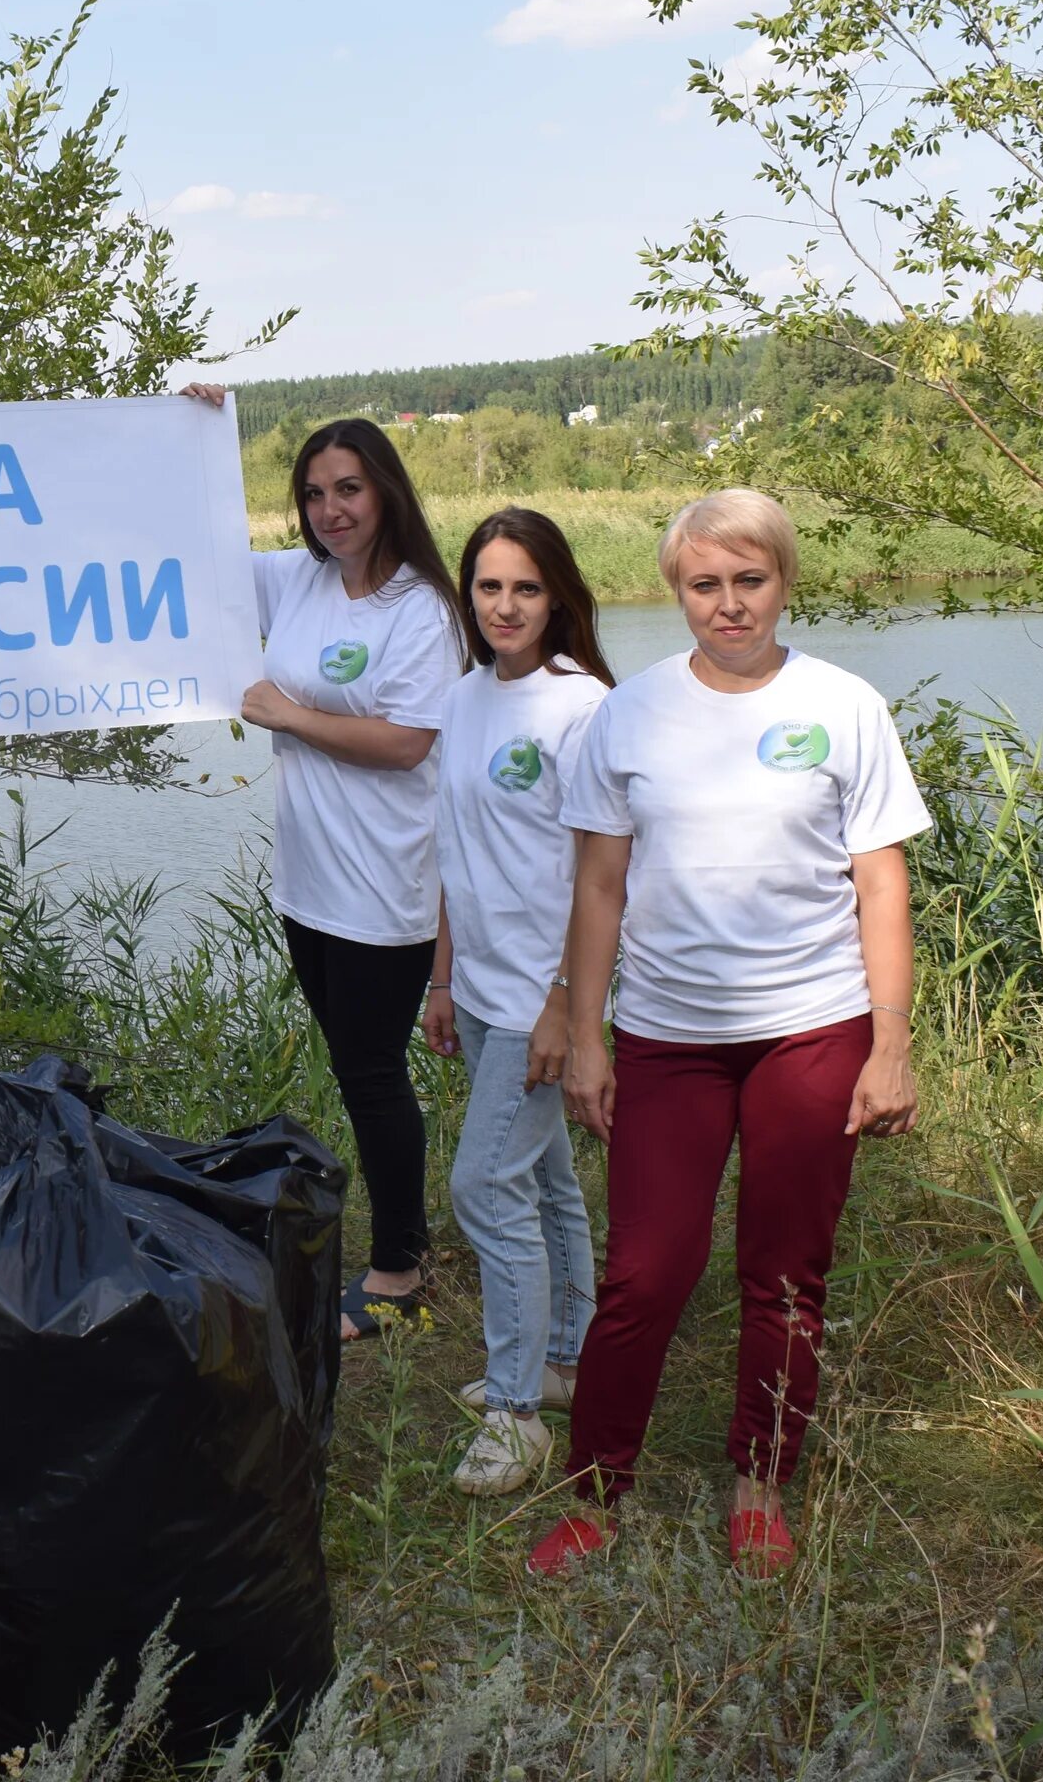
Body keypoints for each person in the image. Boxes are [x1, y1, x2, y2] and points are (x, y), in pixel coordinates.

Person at [530, 488, 928, 1580]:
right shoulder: (631, 713)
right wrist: (589, 1028)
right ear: (676, 591)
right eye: (704, 584)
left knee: (785, 1270)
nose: (728, 603)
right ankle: (593, 1489)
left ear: (784, 582)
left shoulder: (843, 705)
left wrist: (889, 1042)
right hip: (667, 1034)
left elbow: (880, 884)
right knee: (648, 1270)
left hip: (812, 1026)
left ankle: (760, 1481)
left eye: (749, 580)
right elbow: (600, 884)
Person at [184, 388, 464, 1339]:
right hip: (309, 883)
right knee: (357, 1069)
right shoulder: (300, 580)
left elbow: (408, 744)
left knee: (373, 1071)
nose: (331, 510)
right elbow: (194, 556)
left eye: (349, 489)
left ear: (385, 491)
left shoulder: (420, 609)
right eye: (313, 494)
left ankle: (400, 1266)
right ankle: (401, 1242)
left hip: (386, 886)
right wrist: (191, 434)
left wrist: (290, 715)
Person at [421, 508, 611, 1495]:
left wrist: (567, 1003)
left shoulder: (581, 706)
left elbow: (599, 869)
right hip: (484, 983)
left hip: (545, 990)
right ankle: (566, 1356)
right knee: (542, 1183)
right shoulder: (460, 700)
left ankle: (516, 1410)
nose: (505, 605)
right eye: (489, 587)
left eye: (525, 587)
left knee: (484, 1184)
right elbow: (457, 850)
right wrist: (444, 977)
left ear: (557, 595)